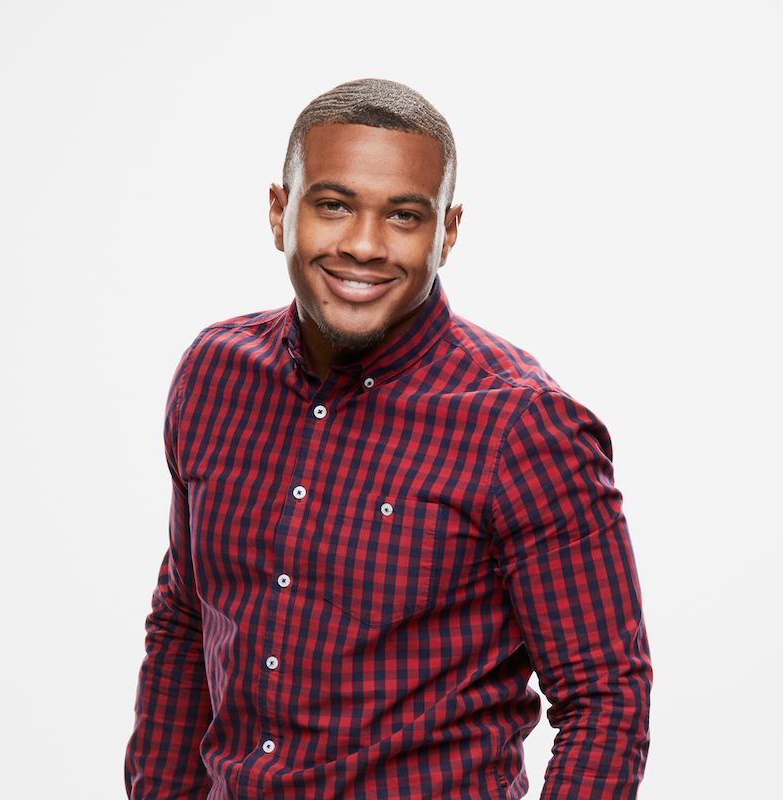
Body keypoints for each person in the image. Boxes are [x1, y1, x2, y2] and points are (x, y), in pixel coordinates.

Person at [126, 78, 651, 800]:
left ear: (448, 232)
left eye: (404, 216)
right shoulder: (215, 376)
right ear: (280, 211)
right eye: (333, 205)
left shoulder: (522, 426)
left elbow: (605, 700)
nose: (364, 246)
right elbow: (185, 623)